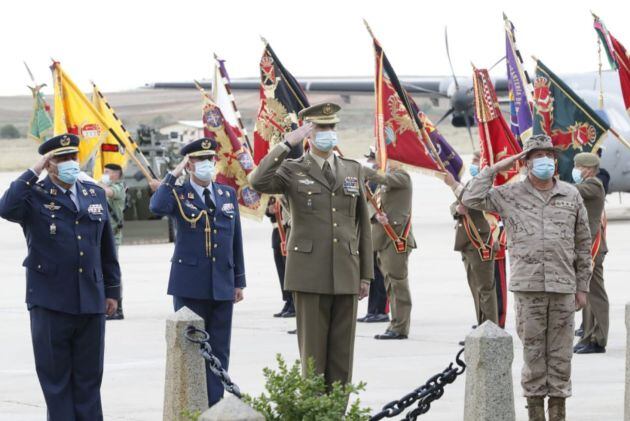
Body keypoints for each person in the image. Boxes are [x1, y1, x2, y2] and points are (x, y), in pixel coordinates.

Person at [459, 134, 592, 421]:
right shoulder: (510, 195)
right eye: (538, 156)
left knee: (561, 355)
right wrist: (496, 168)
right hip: (529, 287)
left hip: (563, 286)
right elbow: (470, 198)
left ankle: (557, 412)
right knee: (533, 354)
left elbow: (583, 243)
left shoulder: (571, 195)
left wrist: (582, 287)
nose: (546, 161)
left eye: (549, 156)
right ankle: (535, 413)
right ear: (526, 162)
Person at [249, 102, 373, 388]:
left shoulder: (352, 169)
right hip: (309, 273)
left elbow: (362, 225)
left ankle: (337, 413)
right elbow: (257, 181)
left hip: (346, 271)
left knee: (343, 357)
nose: (328, 133)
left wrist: (365, 274)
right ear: (308, 133)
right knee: (313, 358)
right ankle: (315, 412)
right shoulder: (292, 170)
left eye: (331, 127)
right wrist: (285, 144)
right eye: (320, 128)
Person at [0, 134, 121, 421]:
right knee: (57, 384)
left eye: (72, 157)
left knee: (89, 381)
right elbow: (6, 207)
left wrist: (113, 291)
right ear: (49, 164)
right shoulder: (33, 195)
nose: (69, 164)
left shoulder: (94, 194)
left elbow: (106, 247)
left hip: (91, 299)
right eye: (61, 158)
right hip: (50, 301)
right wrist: (34, 170)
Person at [149, 137, 245, 407]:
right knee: (191, 348)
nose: (207, 165)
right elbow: (156, 206)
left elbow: (235, 241)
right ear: (189, 164)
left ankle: (214, 404)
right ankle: (192, 405)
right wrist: (174, 174)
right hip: (190, 285)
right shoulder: (178, 195)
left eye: (210, 159)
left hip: (222, 284)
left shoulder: (226, 194)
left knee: (219, 351)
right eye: (200, 160)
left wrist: (239, 281)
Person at [445, 152, 499, 330]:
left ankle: (490, 328)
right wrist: (458, 209)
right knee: (476, 289)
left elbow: (471, 200)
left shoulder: (488, 185)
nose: (474, 164)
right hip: (468, 243)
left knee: (485, 289)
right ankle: (482, 325)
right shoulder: (472, 183)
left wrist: (454, 185)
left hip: (480, 242)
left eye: (477, 161)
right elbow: (456, 205)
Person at [363, 158, 416, 340]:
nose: (378, 162)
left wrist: (361, 170)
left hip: (396, 239)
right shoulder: (386, 179)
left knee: (398, 284)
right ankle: (395, 323)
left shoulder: (402, 176)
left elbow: (384, 180)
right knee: (390, 284)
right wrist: (376, 216)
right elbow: (372, 202)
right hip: (383, 240)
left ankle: (400, 327)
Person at [572, 152, 608, 354]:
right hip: (586, 247)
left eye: (578, 166)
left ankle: (599, 338)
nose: (576, 170)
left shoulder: (593, 185)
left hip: (593, 248)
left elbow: (573, 190)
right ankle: (588, 336)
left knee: (596, 295)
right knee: (587, 293)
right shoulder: (588, 184)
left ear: (588, 168)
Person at [358, 147, 389, 324]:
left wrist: (372, 215)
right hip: (371, 232)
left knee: (381, 273)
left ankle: (381, 310)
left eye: (372, 158)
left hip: (382, 232)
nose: (370, 162)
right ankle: (373, 310)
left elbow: (379, 204)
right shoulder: (372, 180)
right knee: (373, 273)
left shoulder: (383, 179)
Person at [99, 163, 126, 320]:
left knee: (113, 272)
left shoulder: (119, 188)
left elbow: (107, 192)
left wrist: (98, 183)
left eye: (108, 172)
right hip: (103, 235)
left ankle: (118, 307)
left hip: (113, 236)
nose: (105, 174)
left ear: (116, 174)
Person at [265, 196, 295, 317]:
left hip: (289, 230)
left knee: (291, 271)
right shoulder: (271, 190)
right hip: (277, 233)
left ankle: (295, 302)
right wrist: (269, 210)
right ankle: (288, 300)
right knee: (281, 270)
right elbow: (265, 208)